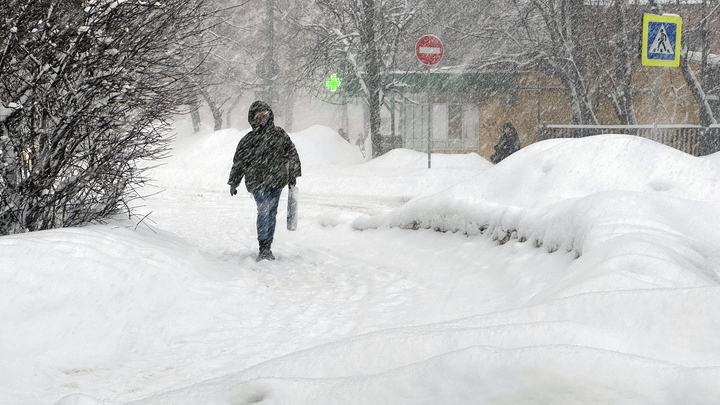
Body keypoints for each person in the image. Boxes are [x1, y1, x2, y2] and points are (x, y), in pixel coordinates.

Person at [228, 100, 302, 261]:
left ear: (270, 116)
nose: (261, 119)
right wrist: (234, 181)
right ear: (253, 119)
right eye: (258, 117)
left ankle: (268, 247)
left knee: (272, 212)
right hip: (257, 182)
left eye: (264, 116)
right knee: (263, 209)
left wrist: (293, 175)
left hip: (276, 181)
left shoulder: (279, 134)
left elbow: (291, 153)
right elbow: (239, 162)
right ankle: (263, 247)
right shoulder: (248, 140)